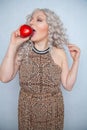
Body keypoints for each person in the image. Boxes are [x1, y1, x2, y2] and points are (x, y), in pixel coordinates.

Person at [0, 8, 80, 130]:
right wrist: (13, 45)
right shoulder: (22, 51)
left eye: (39, 20)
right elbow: (4, 78)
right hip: (27, 112)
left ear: (50, 28)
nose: (31, 23)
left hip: (53, 112)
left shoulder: (60, 53)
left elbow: (68, 85)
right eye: (31, 20)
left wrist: (76, 61)